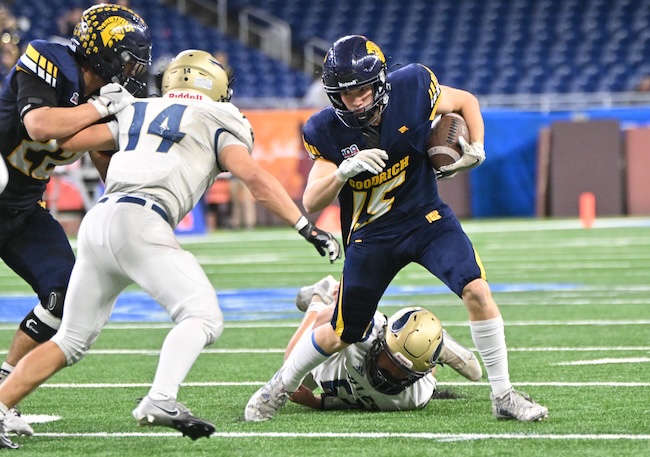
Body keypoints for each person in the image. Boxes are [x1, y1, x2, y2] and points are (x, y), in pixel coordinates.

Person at [0, 48, 341, 446]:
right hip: (144, 221)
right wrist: (304, 225)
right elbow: (253, 177)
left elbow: (67, 140)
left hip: (100, 219)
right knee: (203, 317)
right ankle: (160, 398)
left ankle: (2, 402)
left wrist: (99, 110)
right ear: (213, 85)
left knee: (70, 340)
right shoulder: (222, 117)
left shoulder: (137, 109)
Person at [245, 35, 548, 423]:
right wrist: (342, 172)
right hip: (372, 235)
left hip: (425, 218)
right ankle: (278, 388)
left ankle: (503, 395)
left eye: (362, 89)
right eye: (345, 93)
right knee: (343, 332)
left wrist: (478, 148)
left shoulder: (414, 87)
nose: (355, 100)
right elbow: (312, 201)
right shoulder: (326, 130)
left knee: (476, 288)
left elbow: (466, 101)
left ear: (382, 83)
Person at [0, 3, 152, 447]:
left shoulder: (108, 94)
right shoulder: (48, 58)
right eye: (124, 57)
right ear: (100, 50)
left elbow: (106, 160)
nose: (130, 70)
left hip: (23, 210)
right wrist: (102, 105)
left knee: (65, 293)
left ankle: (4, 393)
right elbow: (41, 124)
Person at [286, 276, 481, 412]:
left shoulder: (415, 397)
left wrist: (314, 402)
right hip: (340, 351)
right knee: (290, 368)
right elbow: (323, 323)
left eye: (404, 374)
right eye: (389, 360)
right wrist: (337, 308)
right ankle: (320, 297)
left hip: (350, 371)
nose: (389, 376)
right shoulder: (365, 332)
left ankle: (431, 349)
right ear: (381, 340)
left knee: (474, 374)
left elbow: (356, 402)